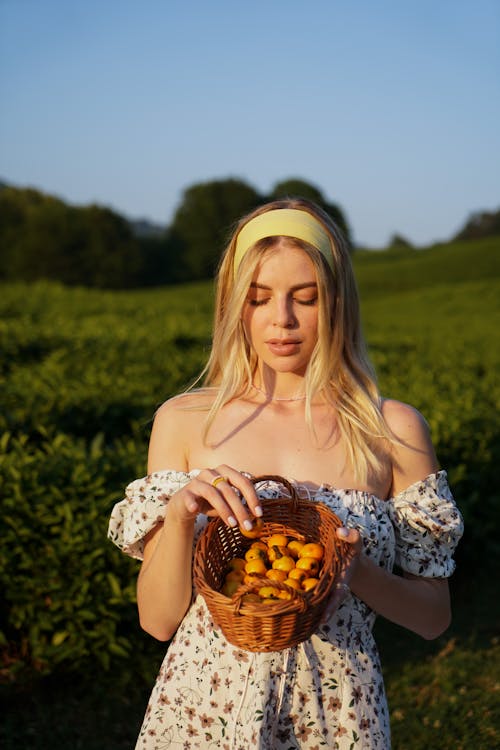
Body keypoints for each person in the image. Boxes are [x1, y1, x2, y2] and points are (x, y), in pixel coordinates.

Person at [108, 198, 464, 749]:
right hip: (200, 711)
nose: (283, 321)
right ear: (234, 306)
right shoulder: (182, 421)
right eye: (259, 299)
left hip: (337, 713)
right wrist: (180, 517)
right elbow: (157, 620)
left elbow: (432, 617)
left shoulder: (392, 430)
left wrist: (356, 574)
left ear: (338, 301)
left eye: (306, 298)